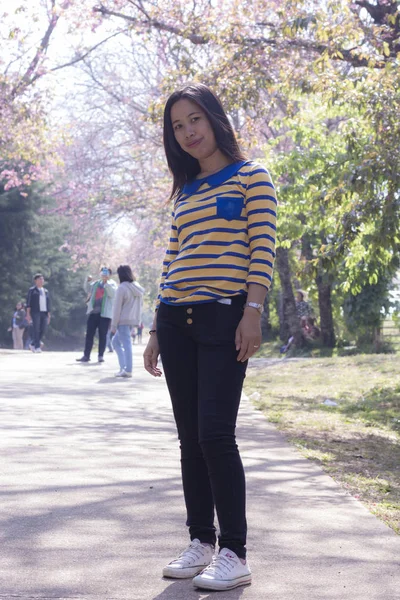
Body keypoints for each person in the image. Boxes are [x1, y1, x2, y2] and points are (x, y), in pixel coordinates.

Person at [143, 83, 277, 591]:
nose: (188, 132)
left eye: (194, 119)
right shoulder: (186, 191)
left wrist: (253, 312)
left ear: (215, 119)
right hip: (176, 320)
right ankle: (201, 540)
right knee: (189, 441)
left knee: (215, 434)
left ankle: (234, 552)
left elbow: (262, 246)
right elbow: (172, 260)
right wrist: (156, 325)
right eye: (177, 126)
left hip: (225, 318)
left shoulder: (251, 176)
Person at [76, 267, 117, 363]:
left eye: (106, 273)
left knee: (102, 335)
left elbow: (112, 294)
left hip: (105, 314)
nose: (104, 274)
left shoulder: (112, 284)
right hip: (93, 312)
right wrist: (87, 281)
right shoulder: (96, 283)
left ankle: (100, 355)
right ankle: (86, 355)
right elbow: (87, 289)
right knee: (89, 334)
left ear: (110, 275)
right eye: (103, 272)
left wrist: (106, 283)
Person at [110, 265, 144, 378]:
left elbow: (117, 308)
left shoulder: (122, 288)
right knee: (115, 342)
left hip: (123, 320)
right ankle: (124, 368)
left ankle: (128, 369)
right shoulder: (137, 287)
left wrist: (113, 324)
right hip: (132, 319)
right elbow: (140, 305)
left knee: (126, 344)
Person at [26, 274, 51, 353]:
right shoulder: (32, 290)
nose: (42, 281)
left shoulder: (46, 291)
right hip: (35, 311)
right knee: (36, 329)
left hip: (44, 312)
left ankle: (33, 343)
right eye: (40, 279)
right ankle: (37, 347)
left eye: (42, 279)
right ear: (35, 281)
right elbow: (28, 302)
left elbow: (48, 303)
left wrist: (49, 314)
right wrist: (28, 314)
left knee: (43, 329)